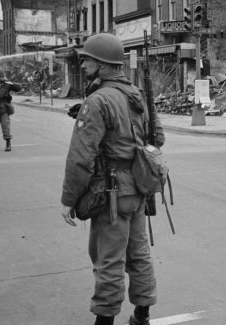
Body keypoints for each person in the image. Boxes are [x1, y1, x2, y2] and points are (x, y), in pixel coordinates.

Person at [60, 33, 165, 325]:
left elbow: (80, 157)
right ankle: (141, 315)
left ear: (103, 64)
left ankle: (103, 322)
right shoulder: (136, 95)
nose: (83, 65)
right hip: (139, 190)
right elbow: (158, 138)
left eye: (87, 59)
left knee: (108, 260)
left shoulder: (98, 100)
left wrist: (68, 200)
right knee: (139, 254)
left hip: (112, 192)